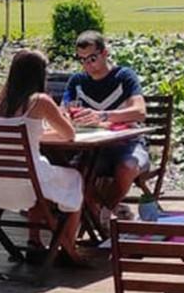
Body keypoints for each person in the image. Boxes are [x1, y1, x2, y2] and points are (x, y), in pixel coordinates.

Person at [0, 50, 87, 266]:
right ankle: (68, 247)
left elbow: (22, 132)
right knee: (74, 177)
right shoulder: (39, 101)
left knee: (41, 178)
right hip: (28, 185)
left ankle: (34, 241)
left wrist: (41, 133)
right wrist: (64, 118)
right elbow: (69, 135)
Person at [63, 31, 148, 222]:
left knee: (128, 166)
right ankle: (103, 215)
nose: (87, 65)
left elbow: (140, 112)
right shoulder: (77, 81)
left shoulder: (124, 76)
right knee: (75, 172)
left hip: (127, 143)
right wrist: (71, 115)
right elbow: (64, 111)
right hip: (93, 148)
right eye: (82, 60)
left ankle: (104, 211)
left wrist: (102, 116)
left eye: (92, 58)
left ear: (105, 53)